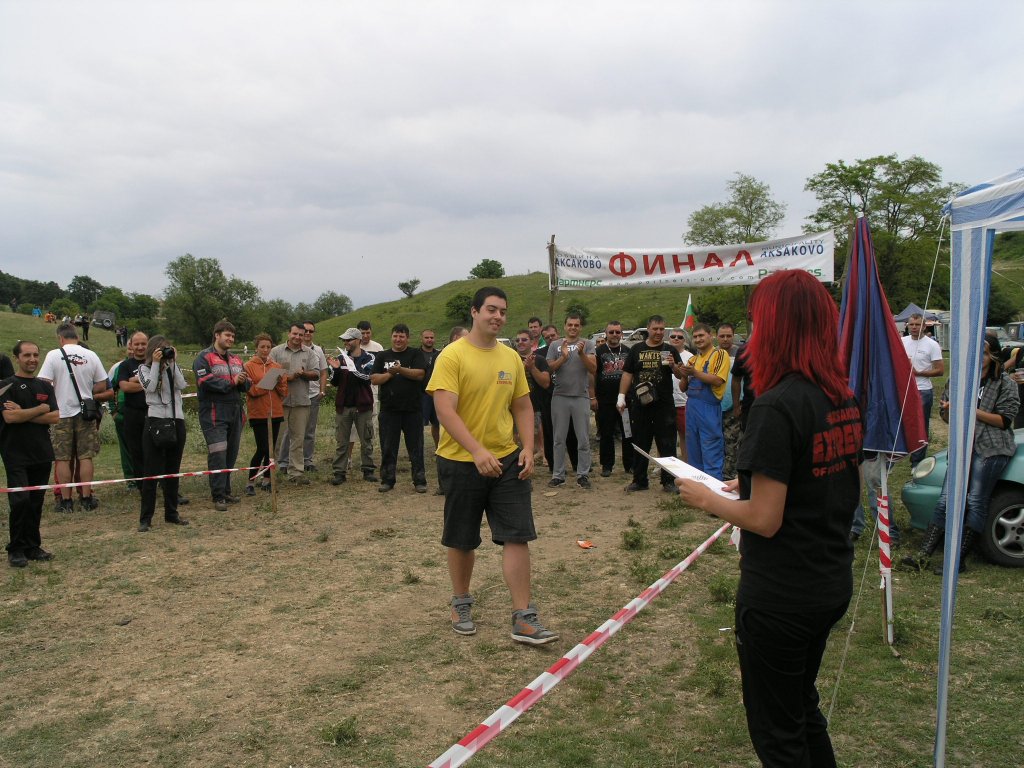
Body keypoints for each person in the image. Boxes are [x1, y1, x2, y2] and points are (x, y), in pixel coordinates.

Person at [676, 269, 862, 768]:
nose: (752, 335)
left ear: (778, 327)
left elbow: (763, 519)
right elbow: (823, 479)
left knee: (777, 732)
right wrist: (752, 482)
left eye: (758, 322)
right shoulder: (839, 395)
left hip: (783, 594)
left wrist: (706, 498)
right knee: (801, 706)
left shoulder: (776, 405)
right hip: (828, 578)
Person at [427, 286, 557, 645]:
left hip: (507, 461)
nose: (498, 316)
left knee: (517, 535)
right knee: (462, 537)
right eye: (491, 309)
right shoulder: (452, 356)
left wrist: (527, 447)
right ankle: (461, 602)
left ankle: (523, 617)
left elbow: (523, 406)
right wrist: (476, 451)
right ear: (474, 312)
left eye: (503, 311)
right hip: (460, 461)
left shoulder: (510, 357)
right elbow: (445, 411)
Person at [902, 334, 1019, 574]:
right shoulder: (958, 379)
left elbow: (1004, 421)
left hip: (992, 447)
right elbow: (946, 416)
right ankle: (923, 555)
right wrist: (948, 411)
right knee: (945, 500)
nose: (979, 357)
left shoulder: (1004, 383)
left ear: (993, 356)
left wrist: (968, 409)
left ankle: (958, 560)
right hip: (963, 446)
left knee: (975, 500)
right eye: (975, 352)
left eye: (984, 353)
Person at [38, 323, 111, 512]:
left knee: (62, 458)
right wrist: (87, 390)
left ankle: (66, 500)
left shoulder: (53, 355)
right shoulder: (91, 355)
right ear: (77, 337)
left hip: (61, 414)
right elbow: (102, 385)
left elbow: (44, 384)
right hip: (86, 413)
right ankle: (86, 497)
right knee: (85, 456)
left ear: (60, 338)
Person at [2, 341, 60, 567]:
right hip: (15, 453)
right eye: (27, 355)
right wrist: (40, 410)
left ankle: (33, 546)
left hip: (41, 453)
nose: (32, 359)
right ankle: (16, 548)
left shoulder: (45, 386)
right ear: (17, 358)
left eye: (35, 355)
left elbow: (55, 417)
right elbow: (10, 417)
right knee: (20, 501)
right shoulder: (6, 385)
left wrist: (25, 413)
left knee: (35, 502)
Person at [617, 315, 684, 493]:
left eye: (662, 329)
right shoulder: (636, 349)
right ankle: (639, 480)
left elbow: (680, 375)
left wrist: (673, 366)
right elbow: (628, 374)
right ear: (648, 329)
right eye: (655, 329)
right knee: (640, 442)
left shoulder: (670, 349)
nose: (659, 332)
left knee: (667, 443)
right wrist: (621, 396)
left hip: (664, 404)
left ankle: (669, 481)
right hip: (640, 404)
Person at [194, 319, 250, 511]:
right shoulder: (203, 357)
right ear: (216, 335)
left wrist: (244, 381)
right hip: (213, 412)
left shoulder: (236, 359)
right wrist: (233, 382)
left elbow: (245, 384)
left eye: (233, 336)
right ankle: (217, 495)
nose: (231, 339)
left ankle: (226, 491)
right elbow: (205, 381)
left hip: (235, 410)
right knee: (218, 453)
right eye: (227, 335)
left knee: (231, 453)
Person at [137, 336, 190, 531]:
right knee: (151, 472)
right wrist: (155, 364)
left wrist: (172, 362)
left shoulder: (171, 367)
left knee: (172, 471)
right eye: (161, 349)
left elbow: (182, 384)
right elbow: (150, 387)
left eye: (167, 349)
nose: (165, 352)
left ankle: (172, 513)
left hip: (176, 420)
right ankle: (145, 518)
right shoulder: (143, 369)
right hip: (155, 421)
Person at [371, 323, 428, 493]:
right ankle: (387, 480)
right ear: (391, 337)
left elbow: (420, 374)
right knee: (388, 447)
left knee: (416, 448)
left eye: (401, 336)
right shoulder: (382, 356)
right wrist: (390, 373)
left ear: (407, 338)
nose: (398, 339)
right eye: (395, 336)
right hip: (389, 410)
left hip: (412, 409)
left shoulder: (415, 354)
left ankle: (419, 480)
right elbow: (374, 379)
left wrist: (400, 369)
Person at [545, 313, 596, 489]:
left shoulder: (587, 344)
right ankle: (558, 475)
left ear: (580, 327)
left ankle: (583, 474)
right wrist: (563, 357)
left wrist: (581, 354)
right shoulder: (555, 345)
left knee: (583, 438)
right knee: (559, 438)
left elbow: (593, 368)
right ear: (565, 326)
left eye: (576, 325)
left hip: (581, 396)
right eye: (570, 325)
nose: (573, 327)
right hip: (560, 396)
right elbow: (549, 368)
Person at [271, 323, 321, 484]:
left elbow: (316, 374)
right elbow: (269, 376)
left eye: (301, 334)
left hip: (301, 402)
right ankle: (269, 474)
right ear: (289, 333)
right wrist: (288, 377)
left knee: (298, 439)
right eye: (295, 334)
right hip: (280, 402)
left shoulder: (309, 353)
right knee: (275, 439)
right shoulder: (276, 352)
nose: (297, 337)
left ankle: (296, 473)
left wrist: (304, 374)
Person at [329, 328, 378, 485]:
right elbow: (334, 382)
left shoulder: (369, 357)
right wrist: (336, 369)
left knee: (366, 440)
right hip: (343, 406)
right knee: (342, 441)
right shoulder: (340, 358)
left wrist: (352, 368)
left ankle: (368, 470)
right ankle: (339, 472)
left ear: (358, 340)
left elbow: (367, 377)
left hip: (363, 406)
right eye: (344, 340)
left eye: (348, 340)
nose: (346, 342)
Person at [682, 323, 730, 479]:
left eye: (701, 335)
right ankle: (697, 487)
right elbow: (683, 387)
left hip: (708, 410)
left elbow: (717, 380)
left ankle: (713, 487)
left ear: (711, 335)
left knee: (711, 450)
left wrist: (694, 372)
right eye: (695, 337)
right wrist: (681, 373)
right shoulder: (693, 359)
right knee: (693, 450)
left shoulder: (719, 354)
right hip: (691, 409)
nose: (698, 339)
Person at [244, 333, 288, 495]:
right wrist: (268, 384)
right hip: (258, 413)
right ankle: (250, 481)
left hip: (275, 411)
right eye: (262, 347)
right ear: (256, 348)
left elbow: (284, 391)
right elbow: (251, 391)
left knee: (271, 449)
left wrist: (279, 383)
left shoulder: (276, 366)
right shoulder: (248, 366)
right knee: (262, 448)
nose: (265, 350)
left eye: (268, 347)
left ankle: (267, 480)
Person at [903, 313, 944, 467]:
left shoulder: (931, 345)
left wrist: (918, 373)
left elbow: (940, 370)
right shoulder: (902, 341)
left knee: (920, 425)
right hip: (903, 389)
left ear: (924, 326)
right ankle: (897, 454)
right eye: (911, 324)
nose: (914, 327)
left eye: (917, 324)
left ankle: (917, 462)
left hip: (922, 390)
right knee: (902, 422)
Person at [594, 321, 634, 477]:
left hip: (626, 399)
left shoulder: (628, 351)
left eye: (617, 332)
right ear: (606, 334)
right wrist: (593, 396)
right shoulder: (598, 352)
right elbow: (593, 374)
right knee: (606, 433)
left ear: (621, 334)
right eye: (611, 332)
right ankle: (607, 465)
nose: (615, 335)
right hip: (605, 399)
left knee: (628, 433)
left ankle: (629, 464)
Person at [115, 331, 150, 489]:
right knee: (136, 451)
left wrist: (135, 380)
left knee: (155, 450)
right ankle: (141, 486)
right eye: (137, 344)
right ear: (131, 345)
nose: (140, 347)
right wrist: (148, 384)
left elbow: (160, 383)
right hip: (133, 414)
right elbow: (125, 386)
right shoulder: (125, 365)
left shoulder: (154, 363)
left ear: (148, 344)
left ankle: (159, 482)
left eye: (143, 344)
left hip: (153, 412)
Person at [667, 328, 694, 461]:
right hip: (666, 401)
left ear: (685, 340)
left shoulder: (690, 357)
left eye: (680, 337)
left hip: (683, 401)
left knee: (684, 435)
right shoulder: (664, 353)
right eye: (673, 336)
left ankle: (686, 462)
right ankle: (664, 464)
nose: (676, 339)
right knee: (665, 436)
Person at [420, 328, 442, 448]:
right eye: (426, 337)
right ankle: (418, 448)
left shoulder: (440, 355)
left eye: (431, 338)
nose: (429, 340)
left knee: (437, 423)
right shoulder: (416, 354)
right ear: (421, 339)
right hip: (420, 394)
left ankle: (438, 448)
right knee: (418, 424)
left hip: (436, 393)